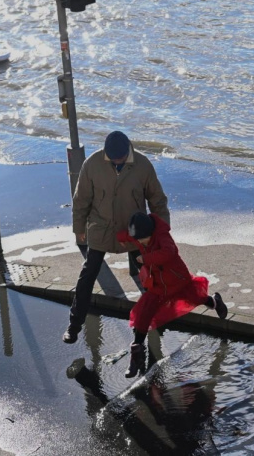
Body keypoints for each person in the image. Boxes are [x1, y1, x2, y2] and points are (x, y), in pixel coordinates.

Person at [63, 131, 170, 344]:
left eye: (120, 158)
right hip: (100, 229)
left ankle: (154, 320)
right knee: (87, 277)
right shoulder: (92, 164)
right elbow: (81, 199)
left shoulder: (142, 165)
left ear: (128, 150)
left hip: (134, 232)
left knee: (149, 279)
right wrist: (78, 228)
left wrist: (162, 231)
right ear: (106, 153)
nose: (118, 162)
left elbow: (157, 200)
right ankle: (74, 325)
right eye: (114, 159)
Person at [117, 212, 227, 378]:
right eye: (137, 240)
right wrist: (119, 237)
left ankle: (215, 302)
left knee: (197, 298)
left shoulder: (162, 236)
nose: (140, 243)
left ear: (150, 233)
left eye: (142, 240)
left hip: (177, 280)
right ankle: (136, 356)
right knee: (142, 315)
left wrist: (145, 258)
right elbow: (129, 236)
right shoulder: (141, 235)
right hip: (158, 287)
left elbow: (169, 252)